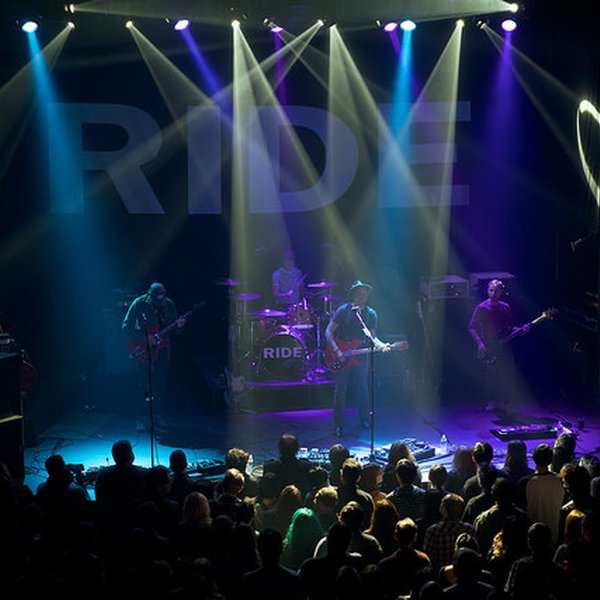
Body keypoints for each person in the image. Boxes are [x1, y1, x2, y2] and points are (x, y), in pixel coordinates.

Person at [325, 280, 390, 436]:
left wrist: (381, 345)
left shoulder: (371, 314)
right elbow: (328, 331)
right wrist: (337, 350)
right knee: (341, 390)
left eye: (365, 293)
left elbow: (373, 337)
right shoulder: (343, 310)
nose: (363, 296)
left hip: (361, 355)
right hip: (342, 354)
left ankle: (364, 419)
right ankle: (339, 425)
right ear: (353, 295)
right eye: (360, 293)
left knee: (363, 388)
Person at [122, 282, 186, 429]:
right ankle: (142, 417)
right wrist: (145, 338)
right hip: (143, 349)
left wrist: (179, 326)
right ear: (150, 296)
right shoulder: (139, 304)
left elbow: (175, 331)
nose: (161, 301)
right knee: (144, 384)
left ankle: (157, 415)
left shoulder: (169, 305)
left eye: (162, 297)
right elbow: (126, 327)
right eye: (157, 299)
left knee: (160, 384)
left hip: (162, 349)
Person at [468, 279, 528, 417]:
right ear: (488, 291)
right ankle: (492, 401)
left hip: (505, 346)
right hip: (489, 345)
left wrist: (522, 329)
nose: (493, 293)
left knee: (507, 374)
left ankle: (506, 402)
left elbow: (510, 328)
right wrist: (480, 344)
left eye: (496, 291)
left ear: (501, 292)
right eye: (491, 290)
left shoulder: (505, 307)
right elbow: (471, 327)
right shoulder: (482, 307)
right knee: (491, 375)